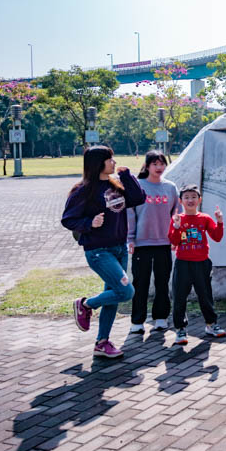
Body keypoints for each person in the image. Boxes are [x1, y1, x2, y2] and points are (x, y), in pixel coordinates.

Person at [61, 146, 146, 358]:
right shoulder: (83, 190)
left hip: (119, 248)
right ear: (98, 163)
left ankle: (102, 343)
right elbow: (68, 219)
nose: (114, 162)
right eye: (110, 159)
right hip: (99, 251)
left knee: (114, 296)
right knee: (126, 292)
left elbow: (138, 198)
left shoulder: (115, 185)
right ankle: (86, 304)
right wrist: (90, 222)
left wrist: (126, 176)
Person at [127, 151, 179, 334]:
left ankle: (161, 318)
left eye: (162, 163)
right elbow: (130, 215)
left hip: (164, 244)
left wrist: (175, 237)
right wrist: (130, 239)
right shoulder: (138, 187)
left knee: (162, 282)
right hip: (142, 244)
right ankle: (137, 321)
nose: (159, 168)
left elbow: (176, 215)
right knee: (140, 283)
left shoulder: (171, 188)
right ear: (147, 166)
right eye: (155, 164)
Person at [169, 185, 225, 345]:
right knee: (179, 297)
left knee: (205, 295)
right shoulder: (177, 219)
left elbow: (217, 237)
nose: (190, 200)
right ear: (181, 201)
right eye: (186, 197)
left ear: (199, 200)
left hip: (202, 263)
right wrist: (177, 227)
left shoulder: (205, 218)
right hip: (183, 264)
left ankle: (211, 324)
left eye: (194, 197)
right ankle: (180, 329)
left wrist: (219, 222)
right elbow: (173, 241)